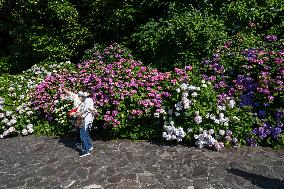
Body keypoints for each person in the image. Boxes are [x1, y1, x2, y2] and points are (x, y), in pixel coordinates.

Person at [76, 89, 96, 157]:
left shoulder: (87, 100)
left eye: (86, 92)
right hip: (88, 119)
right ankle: (89, 146)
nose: (84, 93)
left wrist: (79, 113)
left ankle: (86, 150)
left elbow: (86, 109)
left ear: (88, 93)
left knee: (82, 134)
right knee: (86, 133)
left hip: (86, 119)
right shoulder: (89, 99)